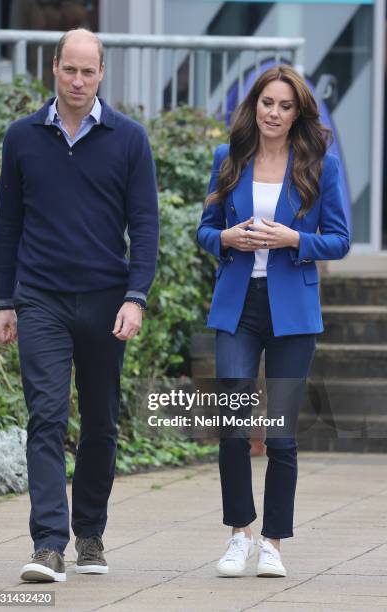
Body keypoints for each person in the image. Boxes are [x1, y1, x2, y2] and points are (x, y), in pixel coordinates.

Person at [0, 28, 158, 582]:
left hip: (108, 300)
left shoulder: (129, 139)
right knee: (45, 416)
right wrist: (5, 301)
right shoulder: (21, 138)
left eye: (89, 72)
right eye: (70, 70)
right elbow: (7, 224)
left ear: (102, 73)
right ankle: (47, 545)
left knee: (102, 422)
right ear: (54, 68)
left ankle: (89, 533)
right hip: (40, 298)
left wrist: (136, 297)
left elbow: (146, 225)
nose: (79, 81)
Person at [197, 65, 349, 578]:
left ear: (298, 112)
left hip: (292, 307)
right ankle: (238, 533)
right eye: (267, 104)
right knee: (234, 427)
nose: (275, 114)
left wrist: (293, 240)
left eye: (286, 106)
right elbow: (204, 229)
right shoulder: (228, 159)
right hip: (237, 304)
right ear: (253, 106)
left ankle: (273, 543)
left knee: (281, 436)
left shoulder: (318, 165)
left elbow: (340, 239)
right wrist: (225, 238)